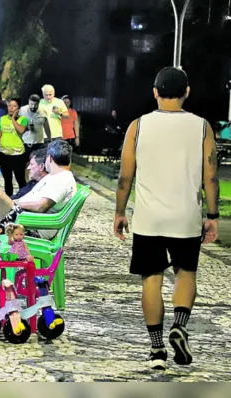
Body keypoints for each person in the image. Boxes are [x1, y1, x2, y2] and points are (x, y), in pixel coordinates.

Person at [113, 67, 219, 370]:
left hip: (149, 218)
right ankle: (180, 325)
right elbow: (211, 178)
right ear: (187, 92)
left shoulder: (138, 126)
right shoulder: (201, 127)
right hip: (185, 216)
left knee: (152, 279)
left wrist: (120, 212)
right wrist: (212, 215)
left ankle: (157, 350)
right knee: (186, 273)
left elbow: (124, 177)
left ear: (155, 92)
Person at [0, 140, 77, 239]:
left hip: (33, 227)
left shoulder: (62, 179)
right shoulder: (56, 176)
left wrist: (13, 204)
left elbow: (40, 206)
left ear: (49, 158)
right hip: (28, 220)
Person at [0, 98, 27, 196]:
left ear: (18, 108)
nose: (11, 108)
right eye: (10, 105)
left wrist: (13, 119)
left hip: (18, 155)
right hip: (4, 154)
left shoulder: (23, 120)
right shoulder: (2, 119)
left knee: (20, 178)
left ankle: (23, 198)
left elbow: (21, 131)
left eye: (14, 106)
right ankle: (8, 200)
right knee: (7, 179)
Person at [19, 94, 52, 169]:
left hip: (38, 143)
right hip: (25, 142)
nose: (33, 106)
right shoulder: (22, 110)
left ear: (39, 104)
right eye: (31, 104)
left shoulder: (43, 111)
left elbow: (46, 126)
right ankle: (25, 180)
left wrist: (50, 139)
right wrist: (27, 128)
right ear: (28, 102)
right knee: (24, 164)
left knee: (36, 165)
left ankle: (35, 179)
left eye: (35, 105)